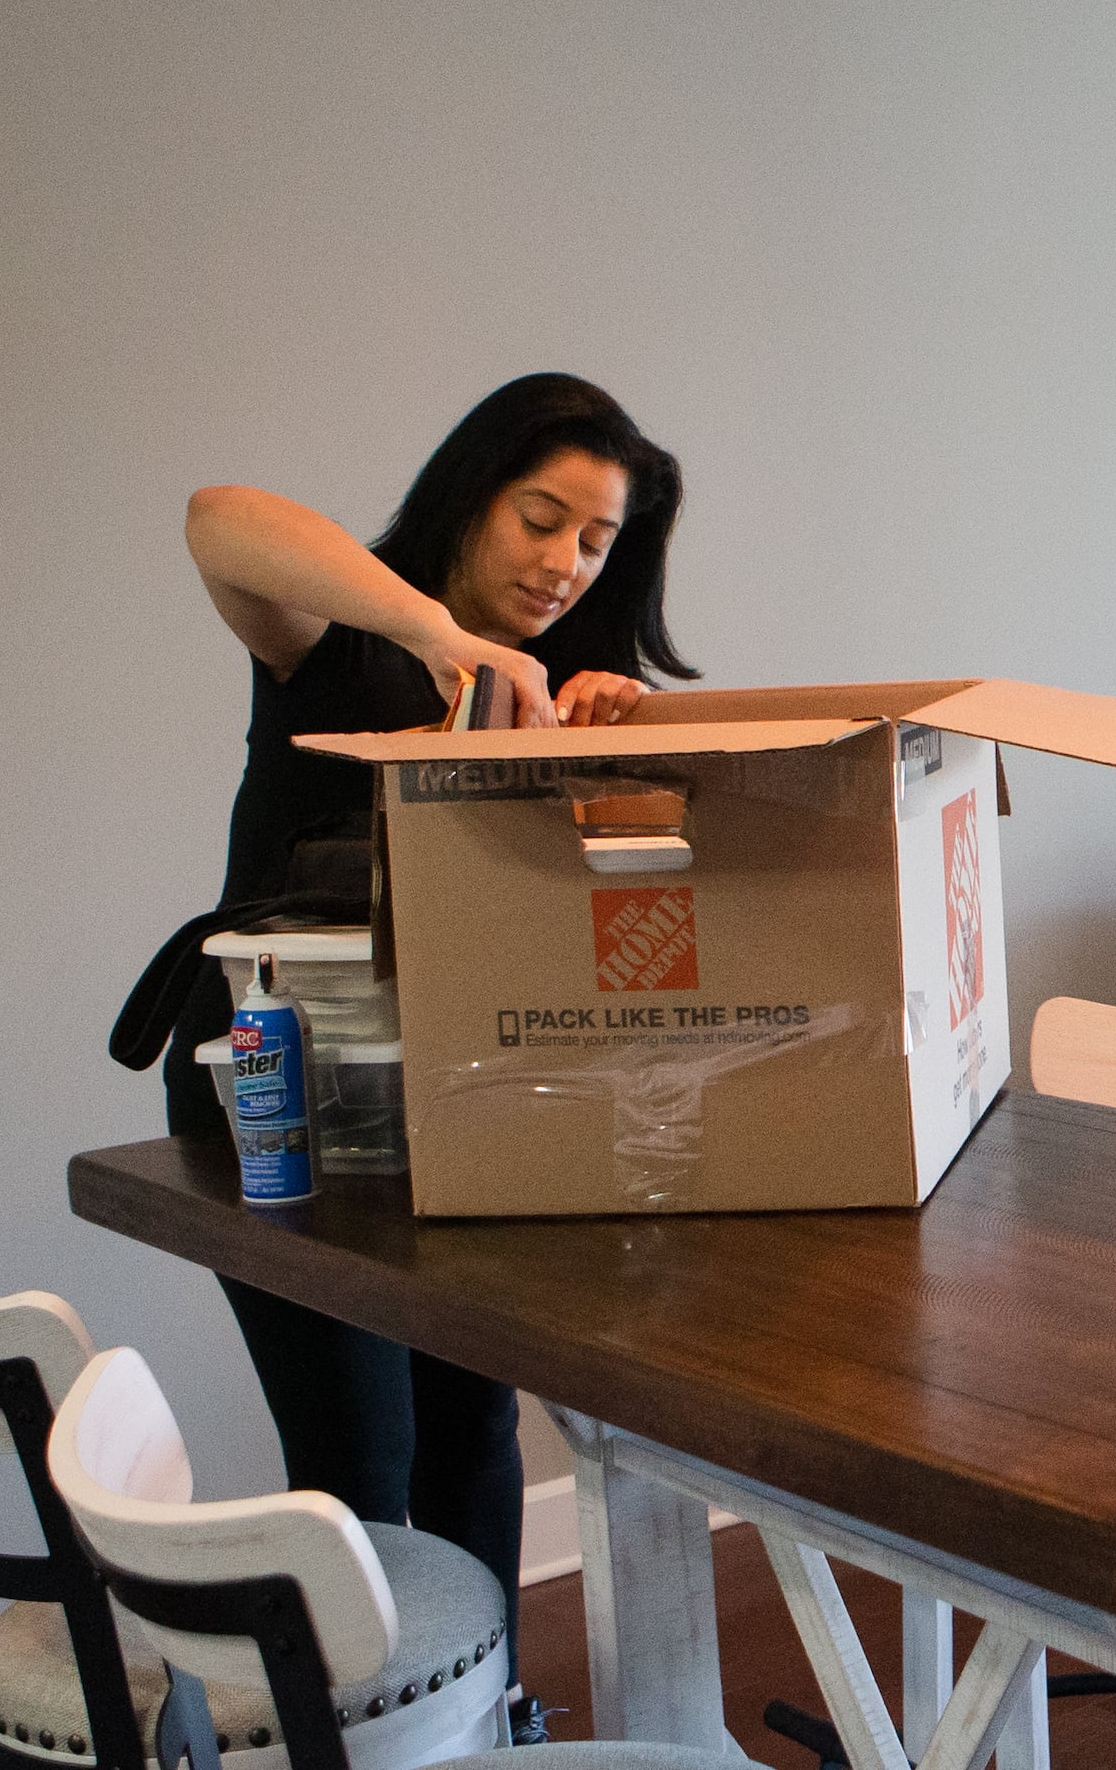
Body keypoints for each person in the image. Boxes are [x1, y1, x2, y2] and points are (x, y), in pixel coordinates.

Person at [175, 373, 696, 1733]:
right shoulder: (338, 645)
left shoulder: (557, 697)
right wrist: (435, 634)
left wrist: (620, 745)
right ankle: (368, 1739)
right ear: (473, 495)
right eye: (541, 517)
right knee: (361, 1450)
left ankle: (487, 1718)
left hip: (457, 1101)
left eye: (597, 542)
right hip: (282, 1103)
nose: (564, 564)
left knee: (473, 1426)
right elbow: (217, 518)